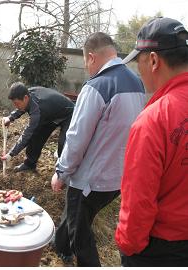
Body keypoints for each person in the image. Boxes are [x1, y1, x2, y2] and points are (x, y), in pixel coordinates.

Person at [51, 32, 145, 266]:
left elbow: (76, 138)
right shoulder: (137, 82)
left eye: (85, 62)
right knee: (75, 214)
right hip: (118, 177)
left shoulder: (96, 86)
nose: (86, 68)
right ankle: (59, 245)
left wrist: (61, 172)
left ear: (91, 57)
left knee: (80, 235)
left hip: (91, 180)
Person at [115, 17, 188, 267]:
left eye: (140, 62)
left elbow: (138, 203)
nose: (140, 71)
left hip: (163, 250)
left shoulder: (154, 119)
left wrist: (128, 247)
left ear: (154, 60)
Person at [1, 82, 74, 172]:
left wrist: (11, 154)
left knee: (63, 144)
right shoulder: (27, 94)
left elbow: (27, 135)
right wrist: (11, 117)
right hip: (50, 114)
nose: (16, 106)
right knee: (36, 137)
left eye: (17, 103)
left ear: (25, 98)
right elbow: (22, 108)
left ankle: (63, 174)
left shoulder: (37, 109)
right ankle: (30, 164)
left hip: (68, 114)